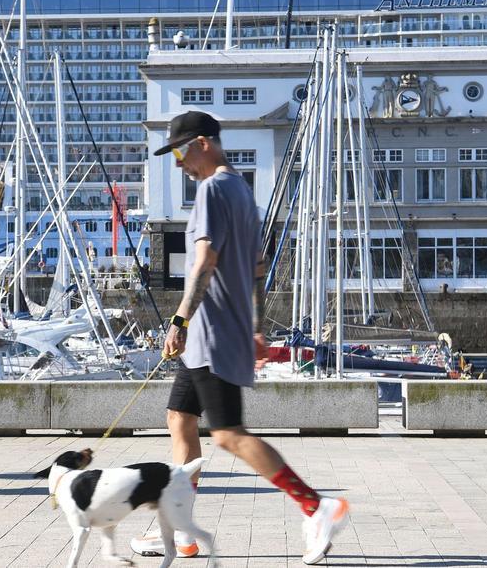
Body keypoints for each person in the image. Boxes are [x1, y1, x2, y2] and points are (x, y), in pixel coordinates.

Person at [132, 111, 349, 565]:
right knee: (180, 418)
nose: (177, 163)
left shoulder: (212, 190)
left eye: (179, 151)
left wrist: (180, 319)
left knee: (229, 434)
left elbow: (204, 262)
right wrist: (255, 326)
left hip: (209, 335)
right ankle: (181, 533)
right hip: (216, 335)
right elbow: (255, 268)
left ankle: (316, 506)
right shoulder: (243, 192)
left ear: (204, 144)